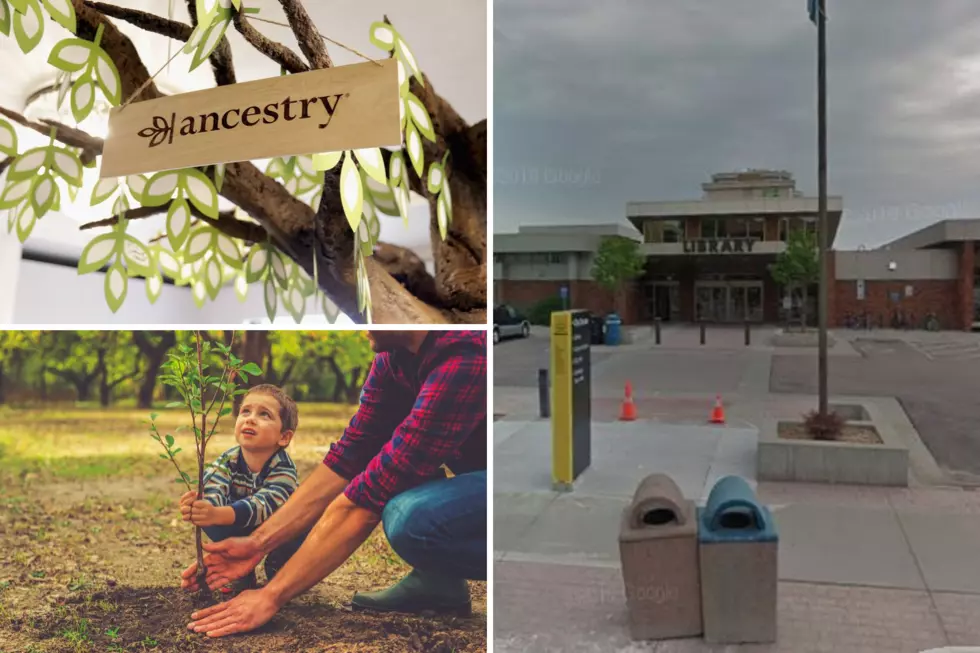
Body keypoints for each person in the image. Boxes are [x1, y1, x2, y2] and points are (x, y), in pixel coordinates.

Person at [180, 330, 487, 639]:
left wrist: (271, 595)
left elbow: (367, 499)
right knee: (408, 482)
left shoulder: (465, 354)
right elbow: (349, 456)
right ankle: (438, 582)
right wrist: (257, 544)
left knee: (412, 518)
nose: (360, 320)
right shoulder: (391, 358)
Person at [178, 384, 302, 593]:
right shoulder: (229, 460)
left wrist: (219, 513)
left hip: (278, 532)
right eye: (245, 411)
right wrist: (201, 507)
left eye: (264, 415)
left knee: (299, 530)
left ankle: (281, 569)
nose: (250, 418)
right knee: (211, 518)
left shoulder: (284, 469)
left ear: (284, 437)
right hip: (241, 526)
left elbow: (265, 505)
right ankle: (240, 571)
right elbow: (213, 485)